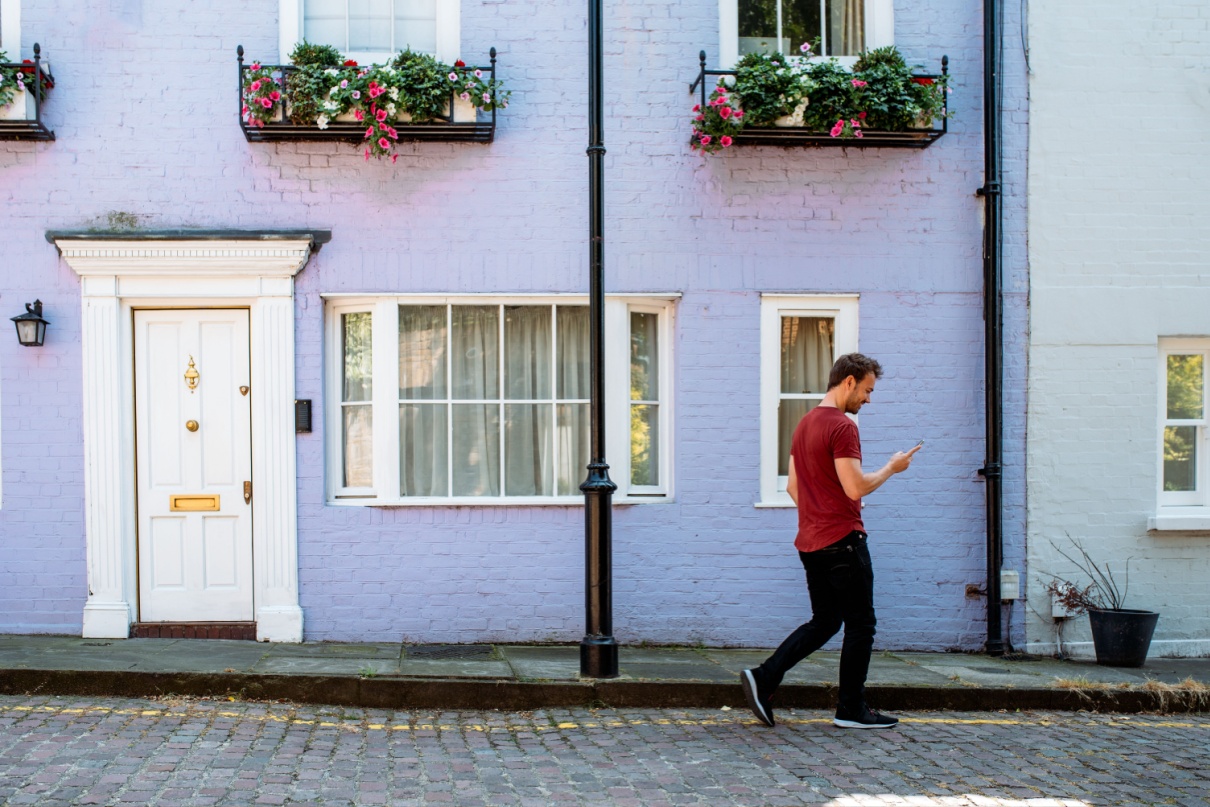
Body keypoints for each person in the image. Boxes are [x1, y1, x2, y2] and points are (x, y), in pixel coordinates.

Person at [741, 352, 920, 730]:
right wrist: (892, 467)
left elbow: (793, 486)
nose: (868, 400)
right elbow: (854, 484)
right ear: (850, 381)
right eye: (867, 391)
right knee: (861, 624)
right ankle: (851, 709)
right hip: (843, 541)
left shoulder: (804, 424)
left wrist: (828, 506)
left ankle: (765, 676)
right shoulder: (843, 426)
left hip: (811, 541)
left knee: (824, 622)